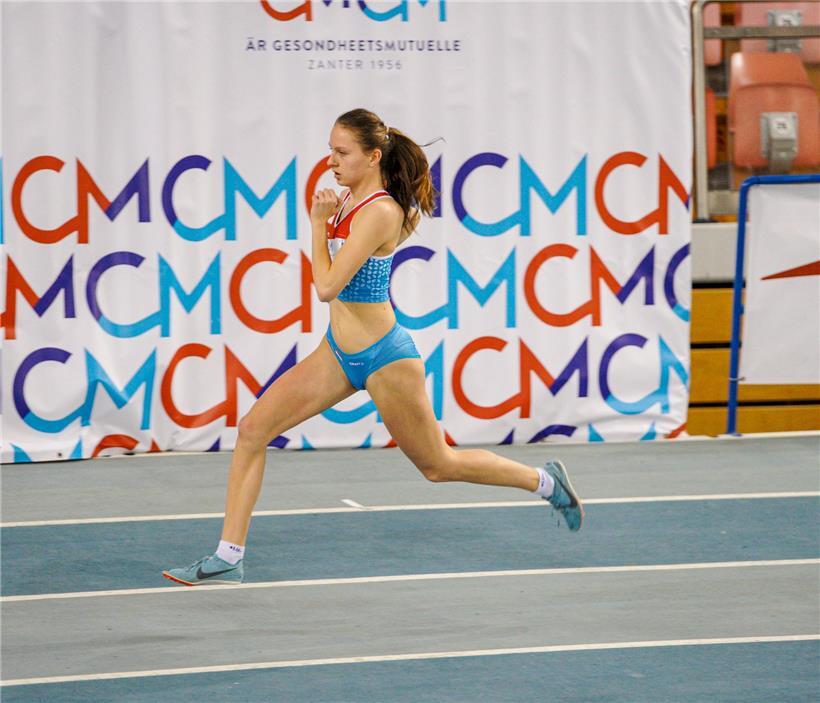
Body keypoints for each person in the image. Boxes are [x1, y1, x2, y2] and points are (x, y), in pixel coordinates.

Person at [163, 108, 583, 586]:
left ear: (373, 156)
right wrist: (327, 217)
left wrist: (317, 225)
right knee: (253, 429)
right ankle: (228, 555)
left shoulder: (381, 211)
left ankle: (546, 482)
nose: (331, 161)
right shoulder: (345, 201)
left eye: (342, 153)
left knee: (438, 467)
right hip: (337, 355)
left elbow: (326, 287)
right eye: (330, 151)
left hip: (385, 357)